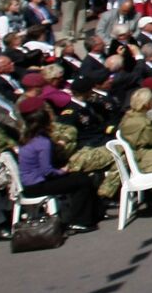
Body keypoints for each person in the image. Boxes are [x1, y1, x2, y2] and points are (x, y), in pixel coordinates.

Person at [16, 97, 101, 234]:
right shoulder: (42, 141)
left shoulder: (27, 137)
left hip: (31, 182)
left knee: (79, 177)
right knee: (82, 181)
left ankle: (94, 214)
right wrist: (62, 171)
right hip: (37, 185)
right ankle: (79, 221)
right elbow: (47, 171)